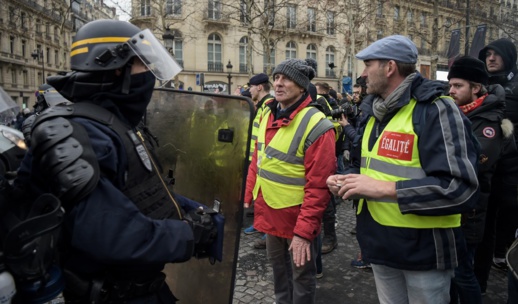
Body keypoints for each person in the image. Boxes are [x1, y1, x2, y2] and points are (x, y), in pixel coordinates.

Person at [9, 19, 217, 303]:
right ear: (117, 68)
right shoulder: (76, 132)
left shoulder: (110, 121)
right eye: (144, 64)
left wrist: (187, 209)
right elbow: (109, 233)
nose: (151, 75)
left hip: (140, 288)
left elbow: (135, 189)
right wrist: (190, 235)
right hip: (108, 294)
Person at [327, 35, 479, 303]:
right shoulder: (375, 112)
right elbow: (375, 169)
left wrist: (383, 189)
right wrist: (349, 180)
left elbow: (461, 189)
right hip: (380, 245)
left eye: (368, 65)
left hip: (424, 253)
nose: (362, 75)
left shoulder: (436, 109)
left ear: (389, 67)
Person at [244, 58, 336, 304]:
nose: (278, 83)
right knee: (279, 274)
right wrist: (248, 195)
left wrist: (304, 233)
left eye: (286, 78)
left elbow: (319, 187)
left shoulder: (317, 124)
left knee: (301, 280)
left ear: (302, 86)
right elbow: (258, 160)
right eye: (276, 77)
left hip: (297, 220)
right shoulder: (268, 115)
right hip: (272, 211)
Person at [447, 56, 512, 304]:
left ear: (476, 88)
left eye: (458, 86)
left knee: (463, 273)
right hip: (451, 206)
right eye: (450, 85)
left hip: (470, 211)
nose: (451, 91)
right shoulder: (454, 112)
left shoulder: (489, 122)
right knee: (451, 274)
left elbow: (474, 163)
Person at [475, 38, 518, 294]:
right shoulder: (481, 84)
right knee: (484, 227)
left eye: (497, 54)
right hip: (485, 170)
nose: (491, 58)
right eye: (488, 54)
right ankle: (479, 283)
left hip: (509, 173)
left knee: (504, 222)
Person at [244, 73, 274, 249]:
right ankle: (260, 225)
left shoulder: (268, 106)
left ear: (260, 87)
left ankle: (266, 233)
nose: (249, 90)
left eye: (251, 87)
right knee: (257, 194)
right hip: (256, 158)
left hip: (263, 159)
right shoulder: (262, 106)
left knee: (262, 195)